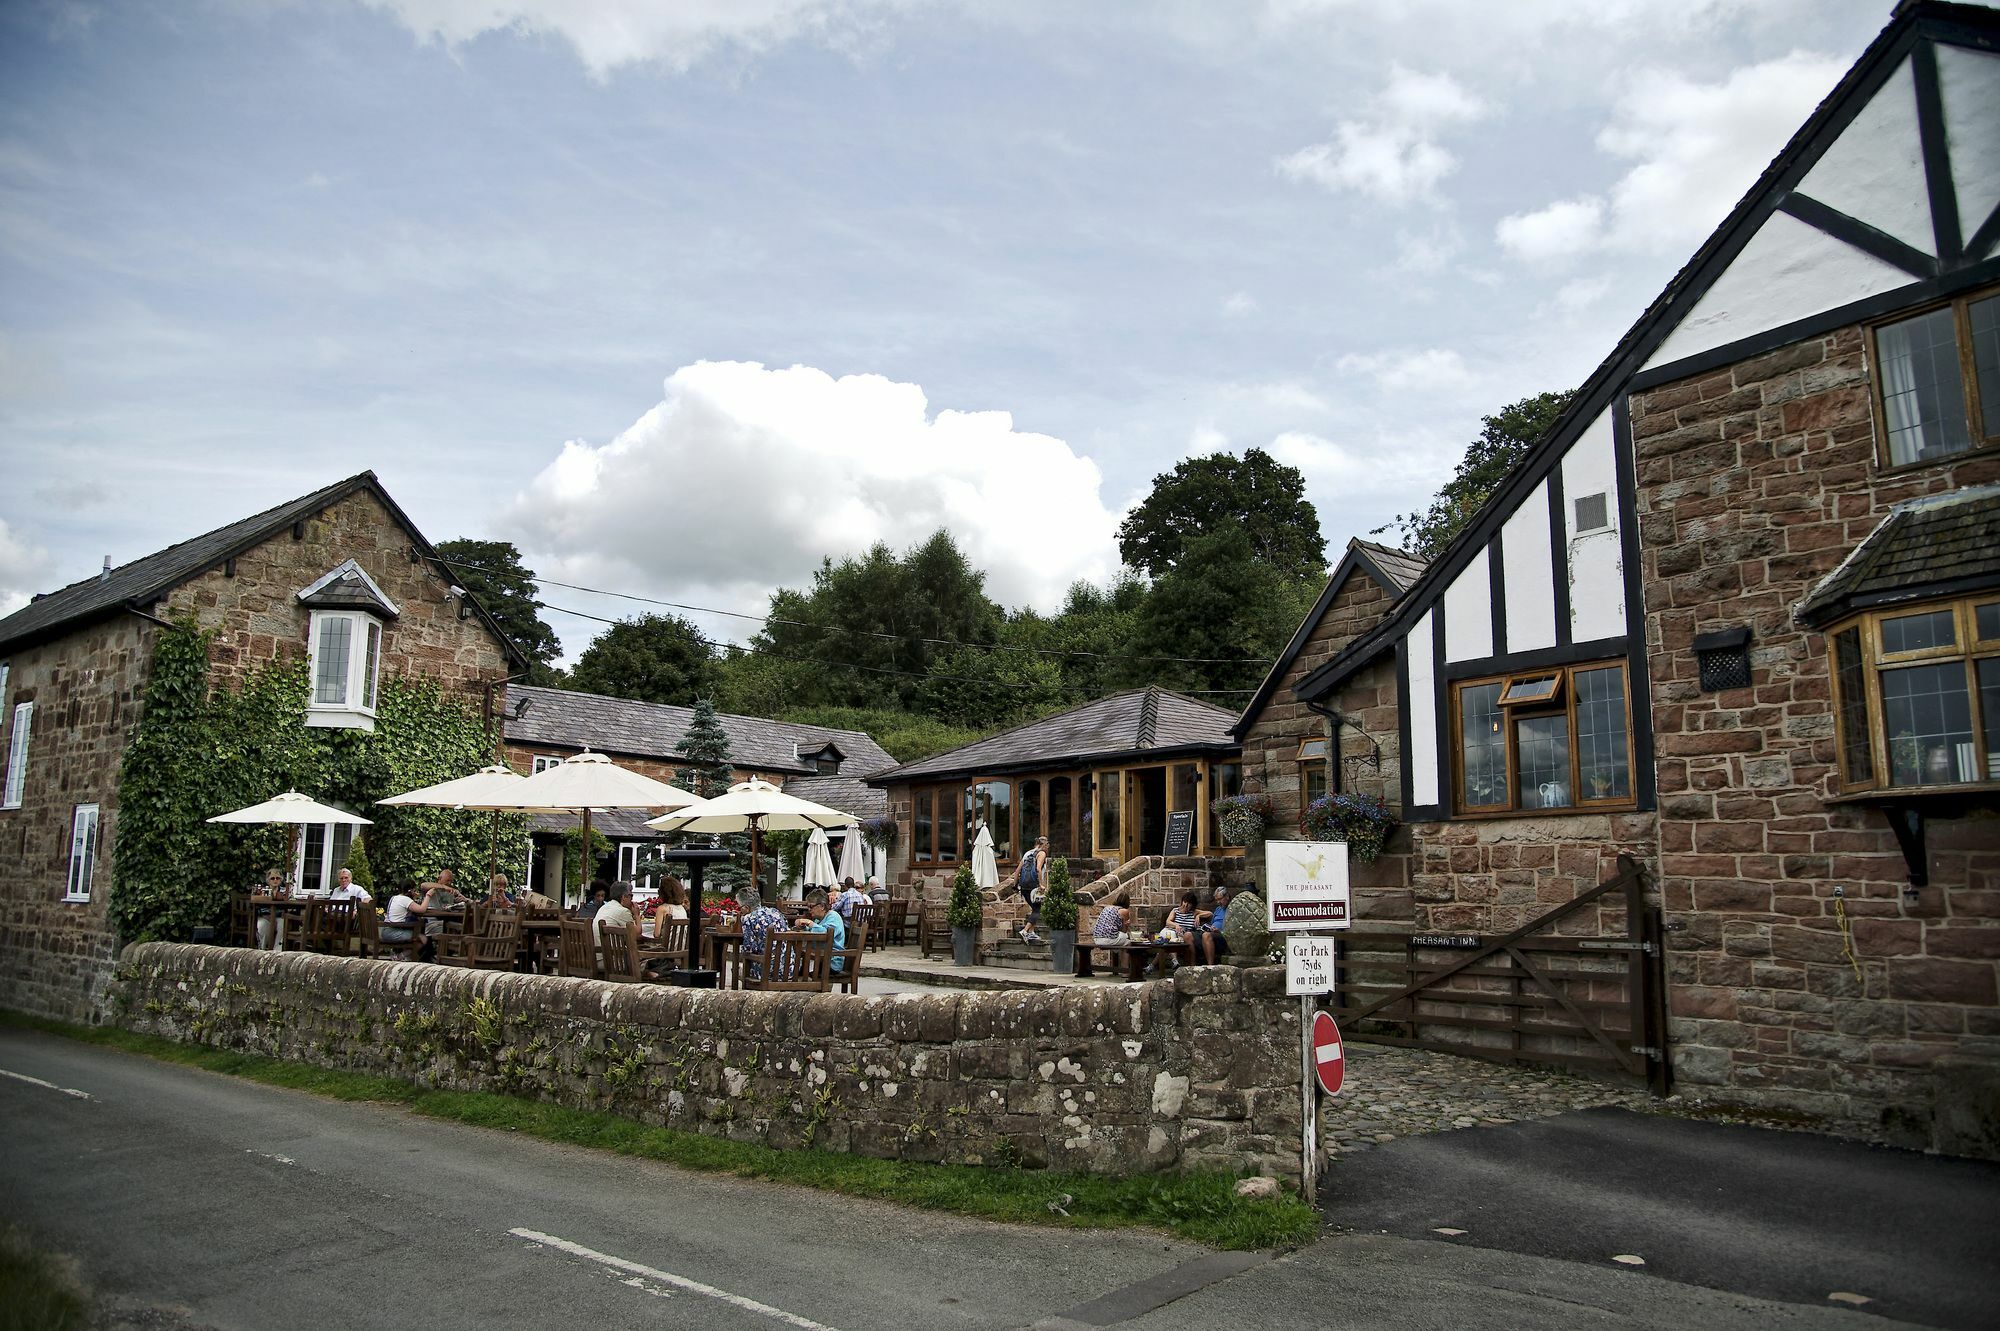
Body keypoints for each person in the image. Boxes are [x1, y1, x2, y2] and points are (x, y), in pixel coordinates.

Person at [736, 888, 787, 982]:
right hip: (788, 969)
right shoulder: (776, 913)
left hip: (767, 972)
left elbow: (749, 949)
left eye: (740, 907)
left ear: (746, 908)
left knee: (737, 970)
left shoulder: (749, 918)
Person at [796, 896, 848, 975]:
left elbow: (826, 934)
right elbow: (814, 930)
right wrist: (803, 927)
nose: (809, 909)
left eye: (811, 906)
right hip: (819, 958)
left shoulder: (833, 916)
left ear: (822, 906)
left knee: (797, 971)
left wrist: (810, 923)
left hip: (830, 962)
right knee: (795, 968)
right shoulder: (818, 918)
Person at [1016, 836, 1049, 943]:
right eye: (1047, 845)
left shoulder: (1027, 853)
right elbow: (1038, 869)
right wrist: (1041, 885)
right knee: (1037, 910)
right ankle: (1025, 931)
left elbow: (1017, 871)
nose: (1048, 847)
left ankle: (1031, 932)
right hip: (1033, 886)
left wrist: (1015, 885)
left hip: (1024, 886)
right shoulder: (1042, 853)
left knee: (1034, 908)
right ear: (1044, 845)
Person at [381, 881, 424, 946]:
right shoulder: (405, 899)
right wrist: (428, 896)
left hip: (386, 931)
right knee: (422, 938)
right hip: (393, 932)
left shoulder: (394, 897)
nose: (415, 892)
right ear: (410, 890)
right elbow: (422, 909)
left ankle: (399, 955)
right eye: (414, 890)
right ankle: (402, 956)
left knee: (418, 935)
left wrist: (413, 898)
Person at [254, 869, 288, 950]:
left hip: (278, 916)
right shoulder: (263, 891)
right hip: (265, 916)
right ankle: (262, 949)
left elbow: (287, 904)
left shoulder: (284, 891)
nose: (275, 880)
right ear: (268, 880)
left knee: (282, 924)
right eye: (272, 878)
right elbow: (258, 905)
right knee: (261, 925)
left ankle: (276, 950)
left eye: (277, 878)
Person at [1198, 885, 1232, 965]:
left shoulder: (1232, 909)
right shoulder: (1218, 909)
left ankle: (1211, 966)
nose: (1218, 902)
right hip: (1213, 934)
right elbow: (1212, 923)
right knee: (1189, 935)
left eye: (1220, 899)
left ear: (1227, 896)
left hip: (1224, 936)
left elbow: (1233, 929)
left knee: (1206, 936)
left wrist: (1219, 931)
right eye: (1217, 900)